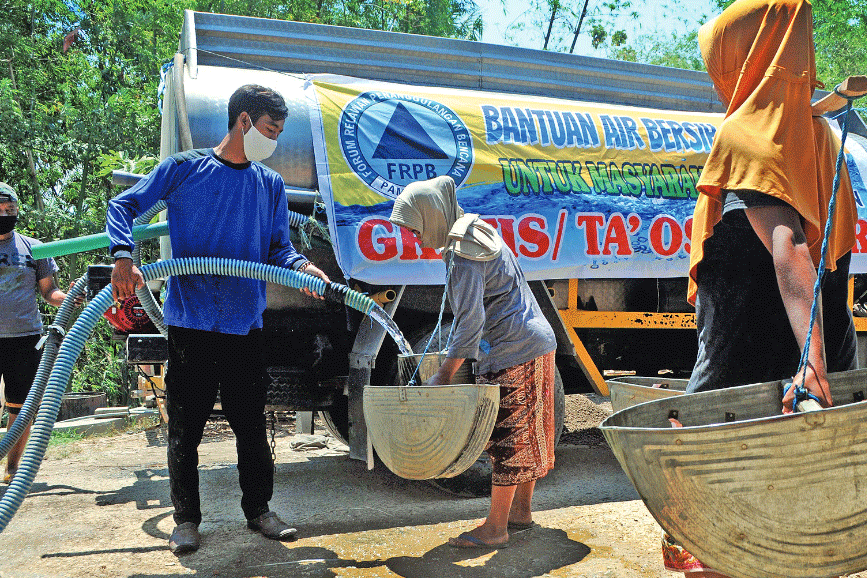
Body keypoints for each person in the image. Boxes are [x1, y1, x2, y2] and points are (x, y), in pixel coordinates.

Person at [674, 1, 867, 575]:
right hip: (807, 344)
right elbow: (833, 254)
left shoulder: (747, 133)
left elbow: (792, 251)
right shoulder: (820, 135)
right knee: (786, 500)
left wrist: (811, 363)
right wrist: (825, 356)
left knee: (720, 505)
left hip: (746, 360)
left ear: (746, 55)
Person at [107, 84, 330, 555]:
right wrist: (124, 255)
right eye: (271, 130)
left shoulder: (268, 184)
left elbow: (277, 250)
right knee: (185, 428)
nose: (274, 139)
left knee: (250, 422)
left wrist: (302, 268)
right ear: (244, 122)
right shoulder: (185, 170)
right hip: (191, 323)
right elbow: (123, 206)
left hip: (244, 323)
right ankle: (186, 520)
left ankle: (260, 512)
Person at [389, 175, 557, 549]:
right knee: (527, 432)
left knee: (507, 439)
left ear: (432, 217)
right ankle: (521, 513)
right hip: (536, 341)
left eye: (417, 230)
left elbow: (470, 322)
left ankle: (495, 528)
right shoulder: (477, 229)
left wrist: (444, 376)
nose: (417, 239)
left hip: (515, 348)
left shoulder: (463, 253)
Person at [0, 183, 72, 484]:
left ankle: (12, 471)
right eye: (0, 210)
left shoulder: (34, 248)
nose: (5, 214)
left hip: (24, 338)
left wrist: (68, 298)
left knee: (22, 407)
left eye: (10, 209)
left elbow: (49, 292)